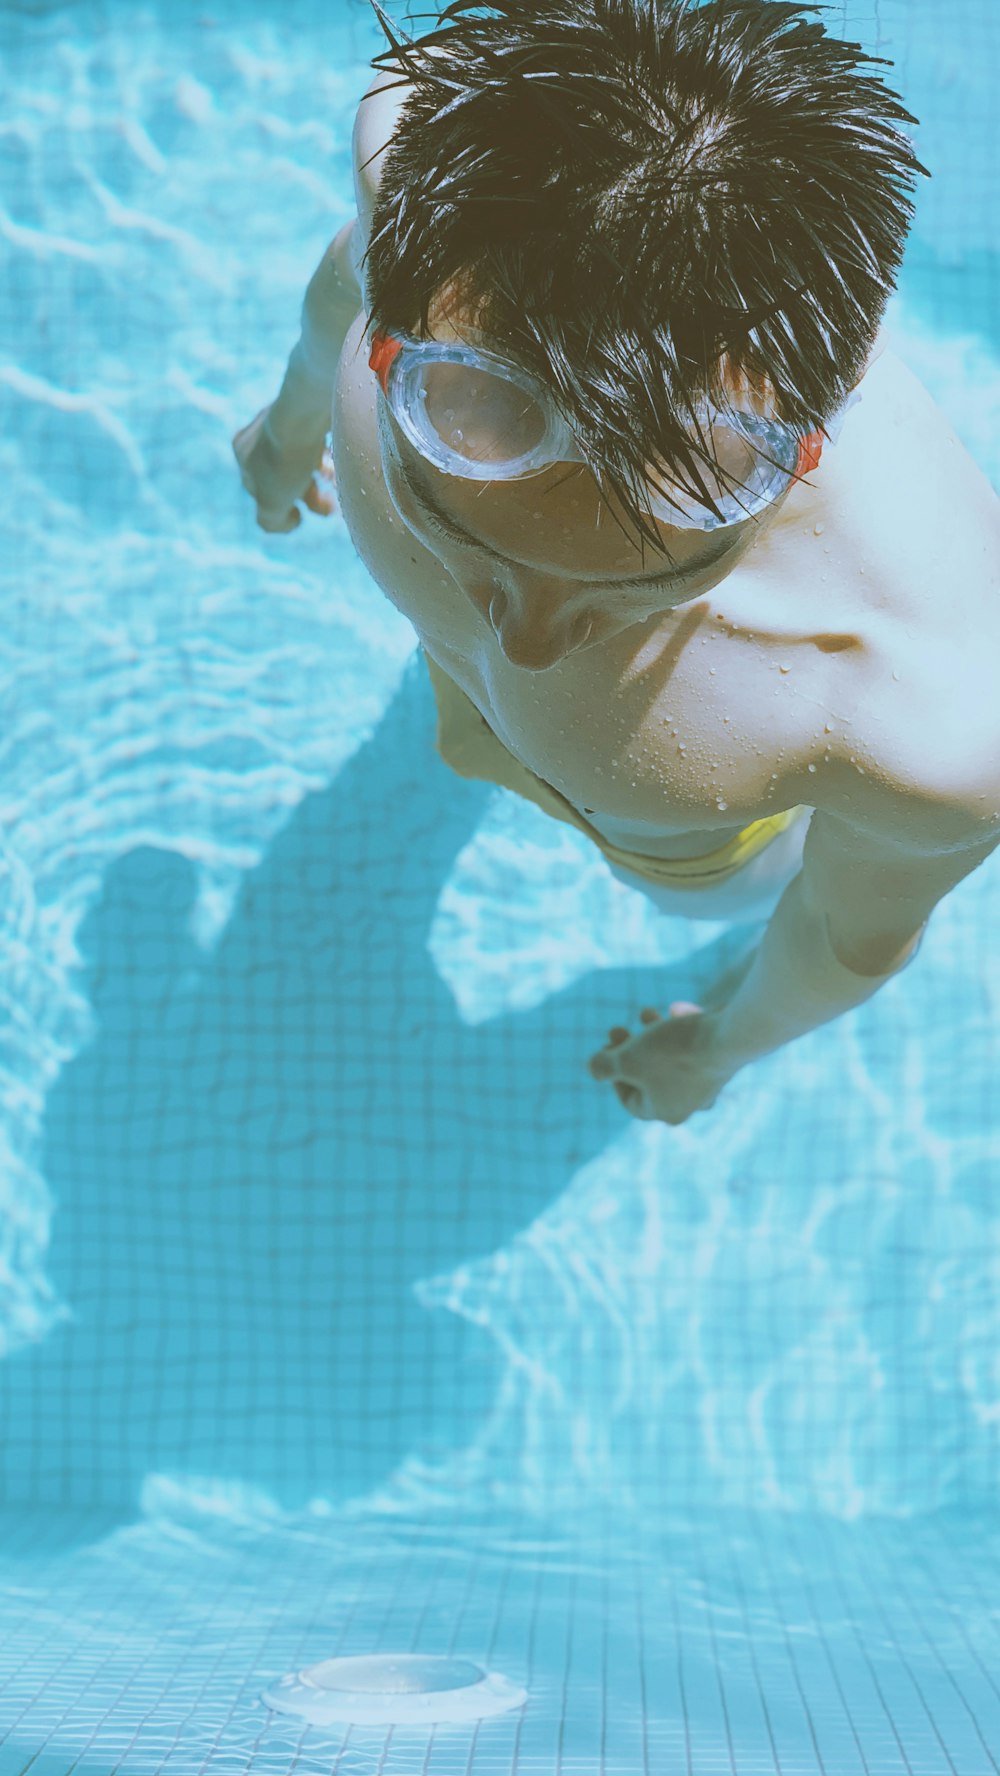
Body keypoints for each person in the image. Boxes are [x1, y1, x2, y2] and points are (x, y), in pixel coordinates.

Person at [234, 0, 1000, 1127]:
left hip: (679, 844)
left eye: (638, 587)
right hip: (615, 775)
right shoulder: (421, 191)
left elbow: (845, 934)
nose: (528, 642)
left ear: (799, 465)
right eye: (470, 547)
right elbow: (348, 279)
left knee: (706, 899)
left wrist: (719, 1047)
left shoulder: (920, 717)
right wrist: (290, 423)